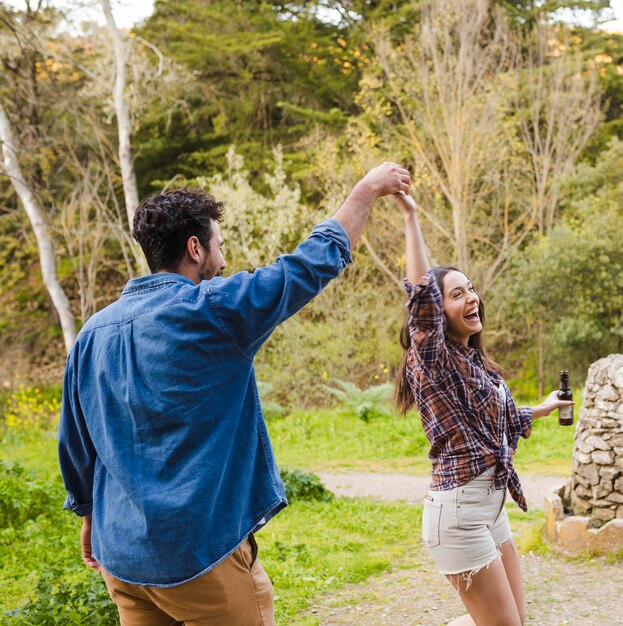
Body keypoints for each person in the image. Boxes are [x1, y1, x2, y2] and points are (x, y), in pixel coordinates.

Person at [58, 162, 411, 626]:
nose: (223, 262)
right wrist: (365, 192)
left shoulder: (91, 334)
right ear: (195, 247)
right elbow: (307, 265)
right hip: (200, 556)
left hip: (123, 559)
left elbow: (76, 441)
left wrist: (87, 514)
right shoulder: (214, 310)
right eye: (219, 247)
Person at [392, 192, 574, 626]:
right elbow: (420, 298)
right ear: (439, 312)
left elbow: (500, 423)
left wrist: (545, 408)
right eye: (457, 294)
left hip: (489, 510)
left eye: (471, 288)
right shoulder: (434, 358)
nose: (471, 298)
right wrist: (411, 217)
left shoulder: (471, 360)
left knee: (511, 621)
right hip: (458, 515)